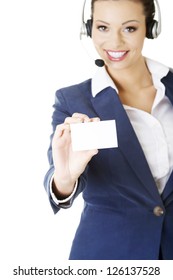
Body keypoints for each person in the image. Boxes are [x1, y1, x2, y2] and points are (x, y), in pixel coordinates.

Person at [44, 0, 173, 260]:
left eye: (129, 29)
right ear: (89, 28)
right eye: (103, 27)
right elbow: (61, 176)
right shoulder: (74, 101)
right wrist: (65, 179)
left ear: (150, 28)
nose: (114, 42)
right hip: (108, 257)